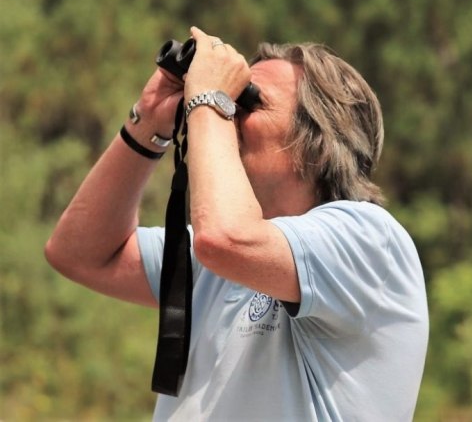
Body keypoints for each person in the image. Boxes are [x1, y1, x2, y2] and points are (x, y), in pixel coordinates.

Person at [45, 27, 429, 421]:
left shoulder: (368, 240)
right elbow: (79, 253)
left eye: (248, 102)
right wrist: (150, 122)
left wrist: (208, 99)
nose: (229, 114)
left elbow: (225, 238)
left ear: (317, 139)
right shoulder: (219, 265)